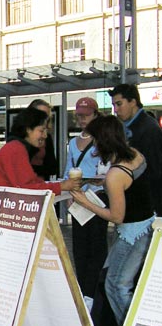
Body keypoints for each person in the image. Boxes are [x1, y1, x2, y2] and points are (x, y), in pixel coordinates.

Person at [70, 116, 155, 326]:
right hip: (147, 226)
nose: (93, 147)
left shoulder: (115, 174)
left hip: (131, 234)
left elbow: (116, 216)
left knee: (116, 285)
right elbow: (131, 188)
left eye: (95, 140)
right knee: (116, 281)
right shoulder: (135, 155)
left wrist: (85, 202)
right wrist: (103, 183)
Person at [64, 97, 107, 299]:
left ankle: (94, 290)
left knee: (96, 245)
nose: (82, 120)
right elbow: (68, 168)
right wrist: (68, 192)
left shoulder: (102, 140)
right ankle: (83, 290)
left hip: (97, 196)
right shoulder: (73, 142)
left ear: (95, 115)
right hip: (79, 197)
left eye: (86, 115)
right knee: (80, 246)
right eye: (79, 116)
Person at [0, 107, 81, 195]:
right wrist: (61, 186)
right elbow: (27, 188)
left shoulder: (14, 147)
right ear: (28, 129)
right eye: (41, 130)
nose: (45, 136)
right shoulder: (16, 149)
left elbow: (29, 182)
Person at [109, 83, 162, 215]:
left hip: (145, 205)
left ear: (133, 102)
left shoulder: (149, 129)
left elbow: (154, 171)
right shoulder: (127, 127)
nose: (116, 109)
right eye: (114, 105)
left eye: (119, 104)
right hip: (136, 201)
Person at [28, 99, 58, 181]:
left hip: (42, 183)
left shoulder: (46, 137)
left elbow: (53, 168)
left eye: (46, 116)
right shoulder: (20, 136)